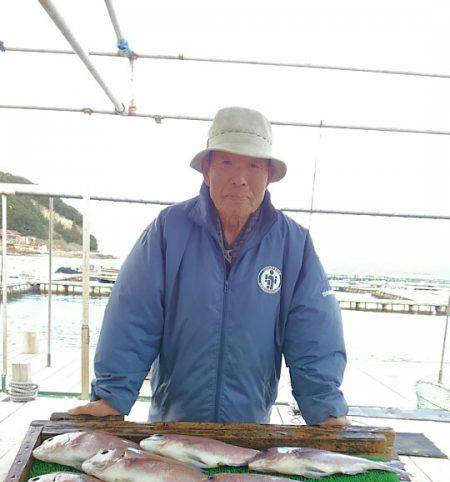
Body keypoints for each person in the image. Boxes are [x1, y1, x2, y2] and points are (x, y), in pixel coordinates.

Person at [69, 106, 348, 426]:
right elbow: (133, 315)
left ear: (269, 175)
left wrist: (324, 407)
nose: (240, 179)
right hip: (171, 428)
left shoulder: (294, 244)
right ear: (207, 169)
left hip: (251, 429)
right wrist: (111, 395)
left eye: (253, 165)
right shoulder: (168, 230)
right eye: (227, 162)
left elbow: (314, 332)